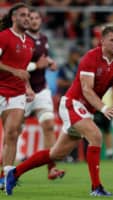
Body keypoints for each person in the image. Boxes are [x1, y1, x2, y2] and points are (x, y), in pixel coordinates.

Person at [4, 24, 113, 196]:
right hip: (73, 103)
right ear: (102, 41)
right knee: (96, 135)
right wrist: (103, 108)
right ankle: (96, 187)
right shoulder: (91, 57)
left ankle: (14, 173)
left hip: (87, 110)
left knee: (56, 154)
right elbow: (86, 89)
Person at [25, 9, 65, 179]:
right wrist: (37, 66)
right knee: (13, 133)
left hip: (41, 90)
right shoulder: (22, 40)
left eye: (36, 18)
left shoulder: (43, 39)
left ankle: (51, 169)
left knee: (49, 126)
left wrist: (49, 62)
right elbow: (17, 67)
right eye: (30, 18)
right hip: (21, 91)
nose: (34, 21)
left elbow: (41, 59)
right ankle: (6, 171)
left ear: (41, 21)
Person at [0, 3, 34, 188]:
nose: (26, 18)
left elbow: (23, 70)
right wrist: (14, 71)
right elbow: (16, 69)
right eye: (22, 15)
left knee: (12, 133)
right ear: (13, 18)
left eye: (28, 15)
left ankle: (6, 177)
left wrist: (27, 86)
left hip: (17, 93)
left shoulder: (29, 42)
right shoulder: (3, 37)